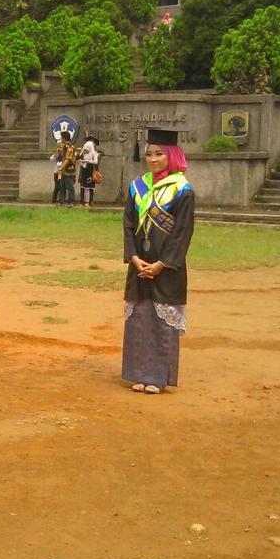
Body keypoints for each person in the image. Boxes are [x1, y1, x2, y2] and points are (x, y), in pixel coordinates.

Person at [121, 128, 195, 395]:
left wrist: (163, 264)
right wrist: (134, 257)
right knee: (139, 318)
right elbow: (128, 225)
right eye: (149, 154)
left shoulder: (182, 190)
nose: (152, 159)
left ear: (172, 155)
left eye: (159, 154)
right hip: (140, 264)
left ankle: (157, 377)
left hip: (167, 267)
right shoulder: (137, 186)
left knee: (161, 319)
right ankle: (137, 373)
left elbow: (182, 232)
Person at [77, 135, 101, 207]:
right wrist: (81, 160)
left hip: (91, 170)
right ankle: (82, 202)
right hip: (84, 170)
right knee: (82, 186)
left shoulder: (94, 154)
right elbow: (79, 158)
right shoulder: (84, 154)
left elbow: (95, 162)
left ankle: (89, 202)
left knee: (89, 187)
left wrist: (86, 161)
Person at [56, 130, 77, 207]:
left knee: (69, 186)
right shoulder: (64, 147)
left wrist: (61, 168)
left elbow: (68, 160)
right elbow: (60, 157)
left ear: (64, 138)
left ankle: (72, 202)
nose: (61, 139)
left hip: (69, 170)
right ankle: (62, 202)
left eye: (62, 137)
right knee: (62, 186)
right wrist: (58, 152)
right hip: (64, 171)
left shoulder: (70, 147)